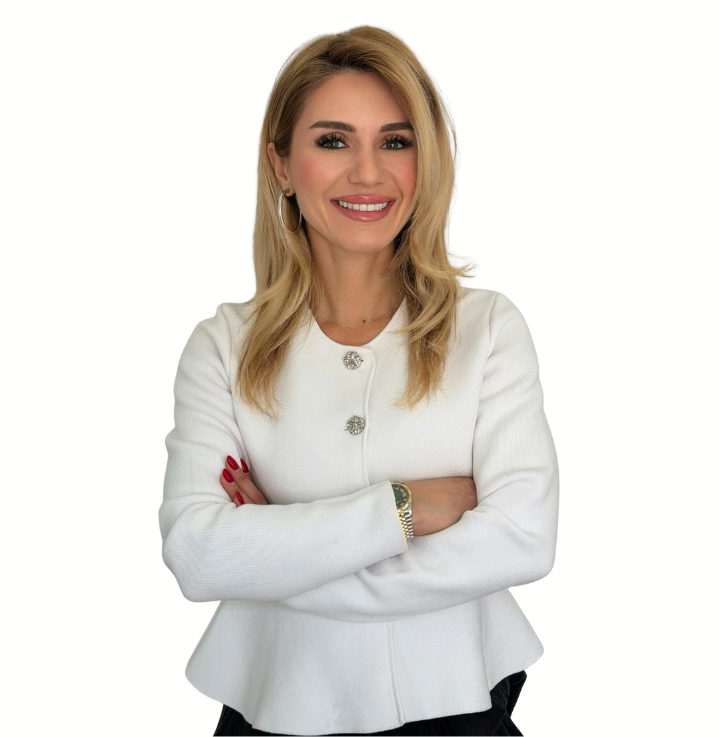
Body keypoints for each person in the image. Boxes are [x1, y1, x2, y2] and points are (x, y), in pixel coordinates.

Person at [159, 25, 559, 737]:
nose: (368, 173)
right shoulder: (223, 347)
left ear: (424, 162)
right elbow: (198, 553)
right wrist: (405, 509)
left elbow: (524, 538)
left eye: (395, 142)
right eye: (333, 141)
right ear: (282, 164)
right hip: (273, 709)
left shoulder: (488, 330)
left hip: (457, 713)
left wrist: (277, 558)